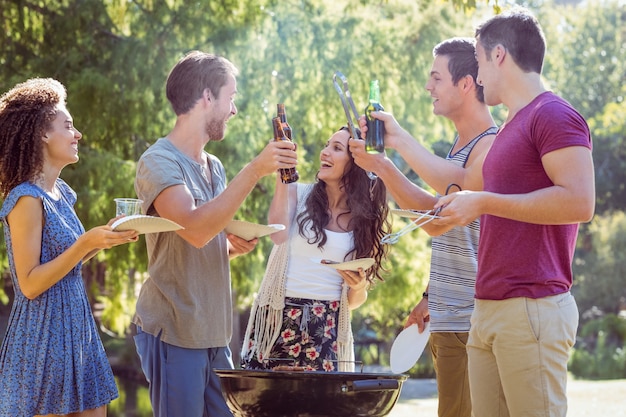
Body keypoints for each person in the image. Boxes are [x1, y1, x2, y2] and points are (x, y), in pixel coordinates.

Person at [430, 8, 595, 417]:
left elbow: (579, 202)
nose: (479, 76)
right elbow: (472, 186)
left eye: (481, 61)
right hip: (487, 309)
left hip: (531, 306)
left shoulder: (554, 115)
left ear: (499, 55)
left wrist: (483, 203)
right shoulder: (509, 127)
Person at [132, 51, 298, 417]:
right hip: (175, 331)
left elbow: (204, 238)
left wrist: (231, 248)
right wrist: (255, 170)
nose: (234, 109)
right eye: (231, 97)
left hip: (215, 334)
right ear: (207, 97)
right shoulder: (158, 161)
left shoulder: (215, 166)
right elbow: (193, 228)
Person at [349, 37, 496, 417]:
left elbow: (457, 193)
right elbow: (440, 225)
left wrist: (395, 142)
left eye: (436, 77)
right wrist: (431, 295)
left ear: (466, 84)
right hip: (447, 314)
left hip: (471, 318)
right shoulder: (458, 146)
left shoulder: (490, 145)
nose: (428, 87)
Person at [0, 78, 139, 417]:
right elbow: (30, 284)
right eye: (68, 125)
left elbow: (67, 261)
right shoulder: (26, 199)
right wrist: (85, 243)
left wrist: (102, 238)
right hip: (42, 336)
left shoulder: (61, 193)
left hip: (76, 327)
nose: (77, 134)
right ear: (43, 134)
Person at [241, 127, 390, 373]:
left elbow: (353, 301)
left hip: (327, 324)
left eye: (336, 148)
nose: (324, 152)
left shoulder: (365, 220)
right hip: (278, 316)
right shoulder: (298, 193)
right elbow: (277, 235)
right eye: (326, 144)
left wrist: (358, 286)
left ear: (357, 164)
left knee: (321, 406)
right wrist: (283, 175)